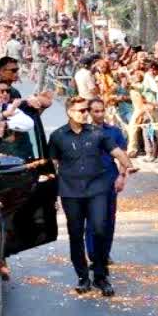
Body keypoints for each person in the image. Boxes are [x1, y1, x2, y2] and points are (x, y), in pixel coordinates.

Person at [48, 96, 133, 296]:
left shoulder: (98, 133)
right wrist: (51, 195)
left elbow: (117, 151)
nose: (85, 113)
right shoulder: (58, 136)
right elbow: (52, 165)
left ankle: (101, 274)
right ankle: (83, 276)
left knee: (100, 228)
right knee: (76, 234)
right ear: (69, 112)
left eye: (87, 110)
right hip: (71, 191)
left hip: (98, 188)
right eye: (81, 110)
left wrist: (128, 166)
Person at [86, 98, 127, 263]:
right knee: (91, 218)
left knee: (109, 217)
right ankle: (93, 254)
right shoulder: (83, 132)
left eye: (102, 110)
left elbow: (123, 156)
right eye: (96, 111)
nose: (100, 114)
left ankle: (104, 253)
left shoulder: (114, 131)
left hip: (109, 177)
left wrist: (122, 176)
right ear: (89, 112)